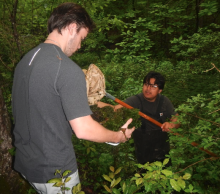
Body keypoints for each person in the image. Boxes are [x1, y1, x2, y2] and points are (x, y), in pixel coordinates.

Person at [12, 3, 135, 194]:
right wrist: (118, 137)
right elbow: (84, 130)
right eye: (81, 38)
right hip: (57, 173)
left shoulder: (26, 61)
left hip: (27, 164)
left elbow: (46, 104)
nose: (79, 46)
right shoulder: (67, 68)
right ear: (71, 27)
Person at [98, 71, 180, 166]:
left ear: (160, 90)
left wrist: (172, 125)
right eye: (146, 84)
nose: (148, 89)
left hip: (162, 152)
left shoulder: (164, 102)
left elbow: (177, 119)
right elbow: (114, 109)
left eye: (153, 86)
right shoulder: (135, 101)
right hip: (143, 151)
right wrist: (93, 102)